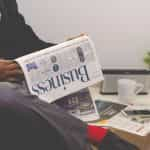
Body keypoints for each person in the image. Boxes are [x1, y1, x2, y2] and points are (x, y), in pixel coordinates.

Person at [0, 0, 138, 150]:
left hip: (20, 85)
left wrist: (64, 50)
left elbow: (28, 44)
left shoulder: (7, 3)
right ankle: (99, 137)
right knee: (6, 94)